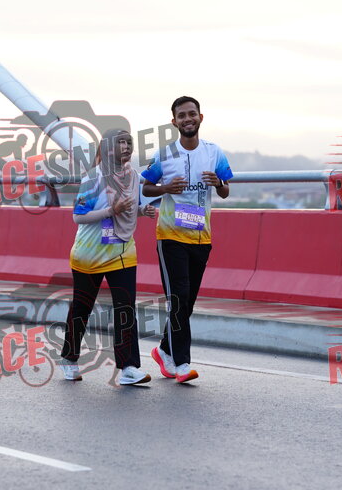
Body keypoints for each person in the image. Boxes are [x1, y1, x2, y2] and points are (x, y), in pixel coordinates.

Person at [142, 96, 233, 383]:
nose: (187, 119)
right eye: (181, 116)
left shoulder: (214, 152)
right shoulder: (165, 154)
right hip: (170, 236)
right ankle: (181, 364)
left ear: (200, 117)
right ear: (174, 122)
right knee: (179, 300)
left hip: (202, 237)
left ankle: (164, 350)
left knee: (187, 303)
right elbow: (146, 188)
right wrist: (166, 187)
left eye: (192, 114)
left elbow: (226, 192)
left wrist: (218, 183)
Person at [61, 128, 155, 385]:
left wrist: (142, 210)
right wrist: (111, 210)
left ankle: (128, 368)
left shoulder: (133, 176)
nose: (126, 147)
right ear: (107, 148)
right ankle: (69, 358)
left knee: (126, 308)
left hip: (122, 250)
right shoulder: (93, 177)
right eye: (120, 142)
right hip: (89, 253)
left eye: (129, 142)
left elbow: (130, 207)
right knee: (82, 307)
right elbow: (78, 216)